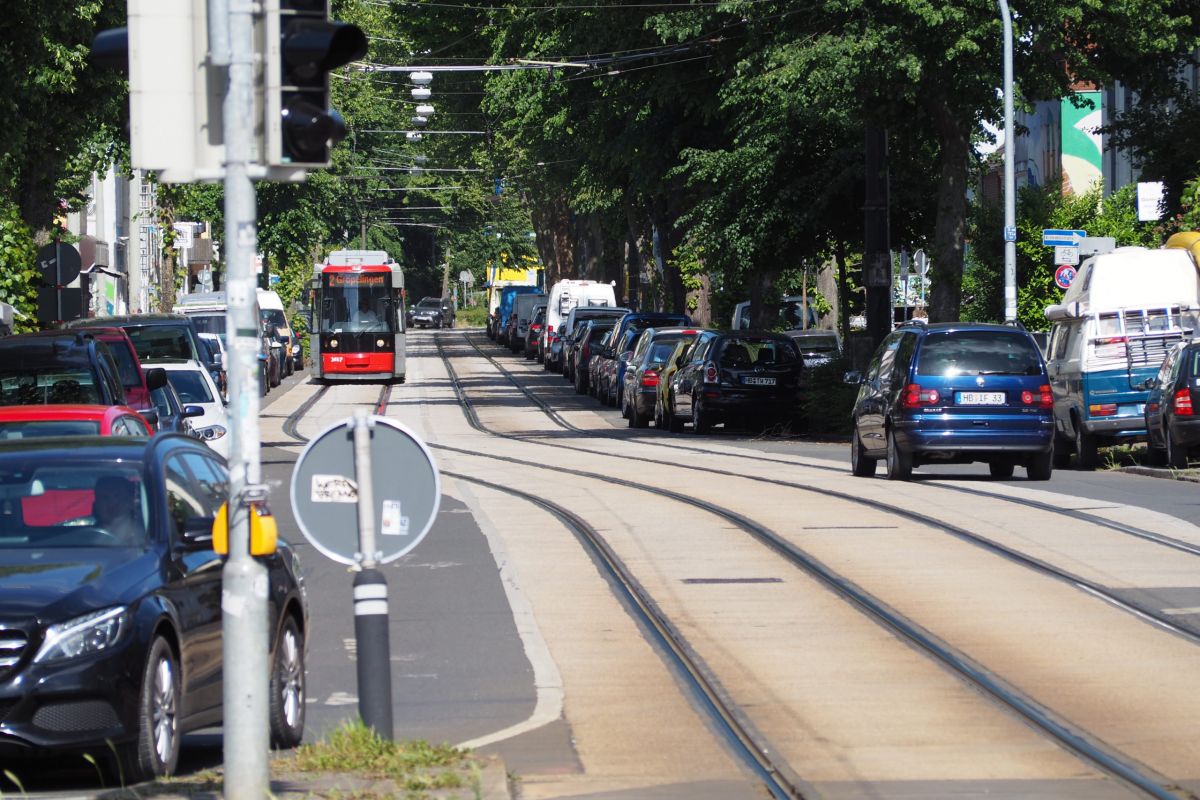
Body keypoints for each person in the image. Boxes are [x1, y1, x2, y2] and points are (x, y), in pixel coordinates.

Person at [92, 476, 146, 545]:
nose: (111, 503)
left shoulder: (142, 536)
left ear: (130, 501)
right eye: (104, 497)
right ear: (96, 504)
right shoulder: (85, 537)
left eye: (118, 496)